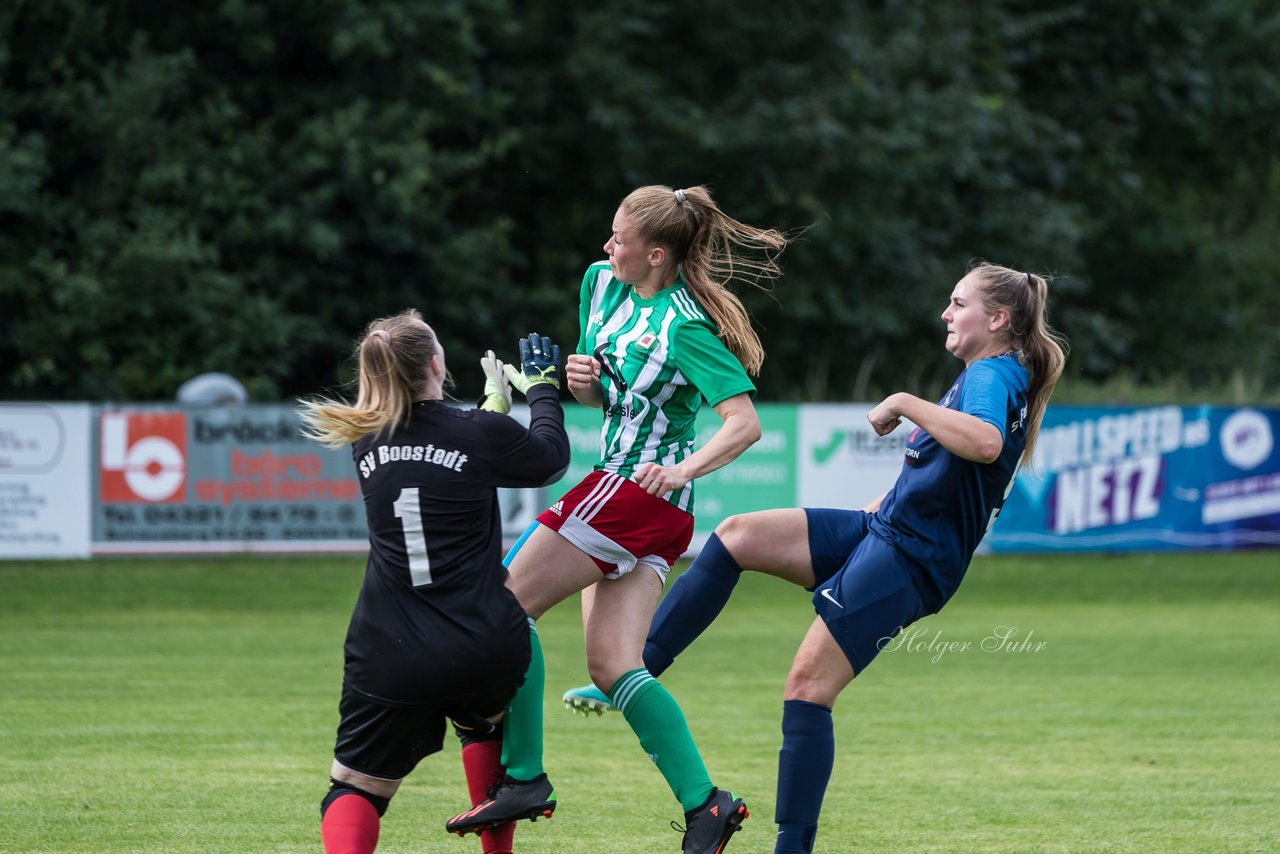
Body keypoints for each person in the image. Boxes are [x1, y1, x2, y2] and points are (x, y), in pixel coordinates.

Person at [565, 262, 1068, 853]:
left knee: (807, 687)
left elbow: (983, 444)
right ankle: (639, 670)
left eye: (959, 304)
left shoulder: (991, 377)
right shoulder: (991, 375)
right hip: (883, 532)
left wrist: (904, 401)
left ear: (999, 319)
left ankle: (791, 847)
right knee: (735, 535)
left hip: (907, 560)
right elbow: (955, 470)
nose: (946, 314)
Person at [444, 185, 791, 853]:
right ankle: (707, 805)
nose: (607, 247)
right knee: (612, 668)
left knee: (501, 605)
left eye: (619, 239)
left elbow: (743, 425)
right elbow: (604, 390)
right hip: (643, 506)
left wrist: (685, 468)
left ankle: (523, 775)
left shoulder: (684, 326)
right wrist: (583, 382)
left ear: (655, 254)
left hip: (636, 494)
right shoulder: (601, 284)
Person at [298, 310, 570, 854]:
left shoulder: (366, 442)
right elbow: (548, 460)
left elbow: (447, 450)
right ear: (435, 363)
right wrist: (541, 389)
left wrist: (491, 409)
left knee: (354, 789)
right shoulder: (479, 433)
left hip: (389, 648)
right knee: (485, 727)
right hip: (480, 642)